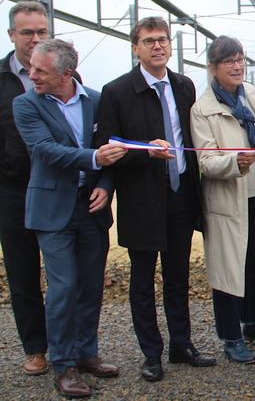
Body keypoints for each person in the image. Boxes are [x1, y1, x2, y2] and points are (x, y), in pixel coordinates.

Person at [96, 17, 215, 381]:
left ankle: (182, 344)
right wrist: (144, 152)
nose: (157, 46)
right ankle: (151, 353)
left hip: (180, 195)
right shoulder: (116, 92)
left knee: (178, 277)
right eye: (148, 41)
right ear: (136, 48)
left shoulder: (183, 86)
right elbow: (107, 148)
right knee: (143, 280)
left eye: (163, 40)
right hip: (141, 200)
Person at [13, 39, 126, 397]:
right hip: (53, 209)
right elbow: (45, 150)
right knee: (63, 288)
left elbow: (114, 146)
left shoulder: (95, 99)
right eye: (31, 68)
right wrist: (96, 160)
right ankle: (63, 365)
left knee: (91, 285)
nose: (31, 75)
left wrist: (106, 185)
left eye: (39, 71)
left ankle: (86, 352)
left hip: (92, 208)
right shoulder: (25, 104)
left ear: (66, 73)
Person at [190, 36, 255, 364]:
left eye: (240, 58)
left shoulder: (252, 98)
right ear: (213, 68)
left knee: (254, 261)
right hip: (227, 199)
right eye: (228, 60)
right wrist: (234, 162)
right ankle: (230, 335)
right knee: (228, 267)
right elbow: (206, 160)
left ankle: (254, 322)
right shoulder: (203, 110)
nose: (237, 65)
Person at [0, 1, 49, 375]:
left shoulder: (67, 76)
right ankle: (35, 348)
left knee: (70, 273)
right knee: (22, 272)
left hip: (58, 187)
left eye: (41, 32)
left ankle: (75, 345)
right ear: (11, 35)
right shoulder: (1, 79)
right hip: (13, 189)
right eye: (27, 32)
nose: (35, 39)